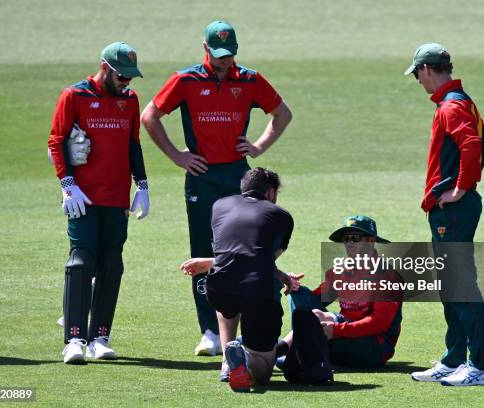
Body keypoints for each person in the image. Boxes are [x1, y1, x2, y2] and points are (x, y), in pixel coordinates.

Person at [141, 20, 293, 356]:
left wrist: (258, 147)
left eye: (230, 55)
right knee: (202, 249)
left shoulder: (250, 79)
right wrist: (177, 156)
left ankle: (236, 327)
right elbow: (149, 115)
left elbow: (282, 113)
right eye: (219, 55)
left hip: (238, 177)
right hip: (202, 176)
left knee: (240, 248)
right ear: (205, 49)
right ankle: (209, 330)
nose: (226, 61)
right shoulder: (186, 79)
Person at [48, 42, 149, 364]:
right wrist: (67, 185)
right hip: (83, 198)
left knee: (111, 264)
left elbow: (133, 144)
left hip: (116, 199)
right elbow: (56, 141)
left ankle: (99, 337)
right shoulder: (74, 96)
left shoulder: (129, 100)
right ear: (104, 68)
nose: (127, 83)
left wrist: (142, 186)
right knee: (80, 262)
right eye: (122, 76)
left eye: (131, 77)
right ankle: (74, 339)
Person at [404, 43, 484, 386]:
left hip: (454, 210)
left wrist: (460, 188)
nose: (417, 80)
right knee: (449, 285)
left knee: (460, 285)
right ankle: (454, 359)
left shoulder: (451, 106)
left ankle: (479, 367)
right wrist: (462, 184)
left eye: (417, 73)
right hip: (452, 209)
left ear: (427, 69)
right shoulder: (461, 101)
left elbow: (473, 145)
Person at [180, 167, 297, 392]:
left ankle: (228, 359)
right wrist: (281, 276)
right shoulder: (282, 216)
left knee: (227, 295)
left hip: (219, 288)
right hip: (258, 292)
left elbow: (235, 255)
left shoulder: (220, 206)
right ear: (271, 193)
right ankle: (247, 364)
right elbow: (262, 259)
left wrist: (209, 262)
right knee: (263, 371)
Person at [279, 215, 403, 369]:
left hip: (375, 345)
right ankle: (290, 351)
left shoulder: (388, 276)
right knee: (300, 294)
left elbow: (379, 323)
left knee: (316, 322)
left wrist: (336, 330)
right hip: (344, 329)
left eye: (355, 238)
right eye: (346, 238)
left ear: (371, 241)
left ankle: (284, 352)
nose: (350, 243)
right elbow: (314, 299)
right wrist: (291, 283)